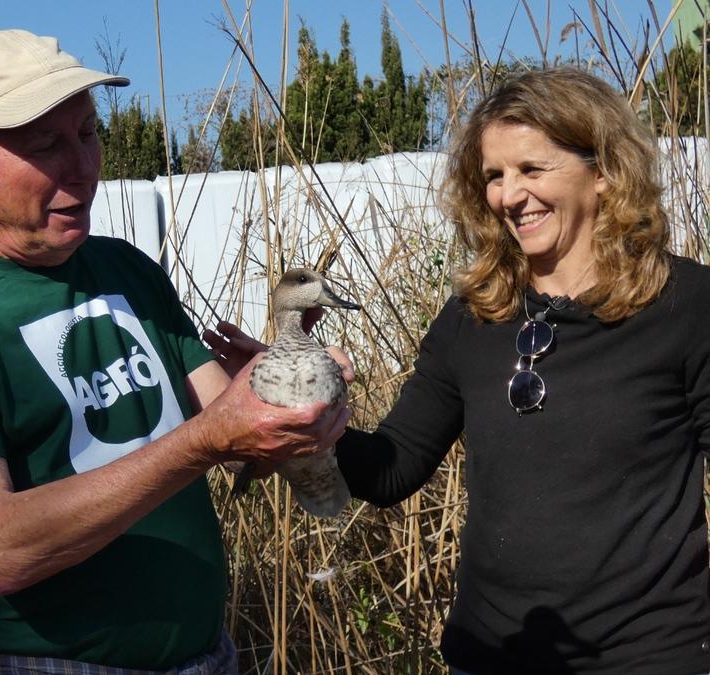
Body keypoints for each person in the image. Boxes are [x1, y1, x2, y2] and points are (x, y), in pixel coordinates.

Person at [0, 29, 349, 673]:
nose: (84, 166)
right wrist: (208, 439)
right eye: (46, 145)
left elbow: (236, 433)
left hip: (204, 656)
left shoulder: (126, 269)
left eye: (88, 135)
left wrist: (293, 400)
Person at [207, 67, 710, 673]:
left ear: (603, 171)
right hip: (489, 653)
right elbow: (393, 468)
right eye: (494, 176)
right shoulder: (473, 317)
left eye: (531, 169)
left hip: (647, 656)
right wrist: (292, 410)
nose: (508, 195)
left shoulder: (686, 305)